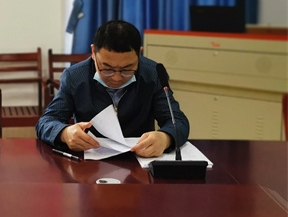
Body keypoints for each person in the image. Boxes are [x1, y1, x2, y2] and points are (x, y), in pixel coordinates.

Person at [36, 20, 189, 157]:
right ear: (93, 52)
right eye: (107, 69)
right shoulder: (75, 77)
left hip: (139, 159)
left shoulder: (153, 73)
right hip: (90, 162)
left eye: (127, 69)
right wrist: (65, 133)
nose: (116, 78)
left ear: (139, 53)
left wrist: (165, 138)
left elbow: (178, 121)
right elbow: (46, 122)